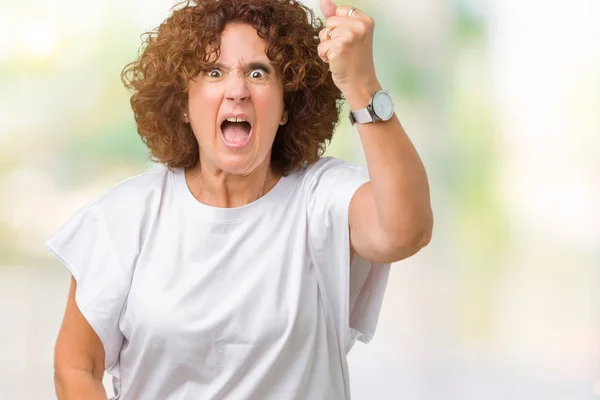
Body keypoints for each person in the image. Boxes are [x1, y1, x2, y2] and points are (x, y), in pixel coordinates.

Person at [46, 0, 433, 398]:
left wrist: (360, 83)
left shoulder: (321, 198)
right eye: (214, 72)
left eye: (258, 72)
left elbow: (407, 230)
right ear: (183, 104)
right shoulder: (126, 215)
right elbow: (76, 366)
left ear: (286, 105)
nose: (237, 90)